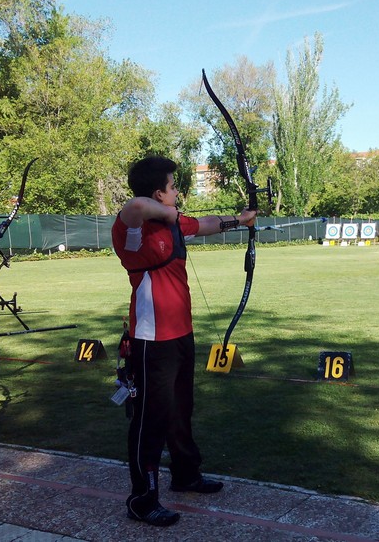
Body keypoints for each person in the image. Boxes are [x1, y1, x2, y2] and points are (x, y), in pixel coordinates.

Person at [111, 156, 256, 527]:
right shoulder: (133, 230)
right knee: (150, 417)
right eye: (173, 186)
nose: (178, 191)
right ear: (160, 192)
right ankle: (142, 500)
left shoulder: (173, 225)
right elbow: (135, 205)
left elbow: (205, 225)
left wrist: (239, 220)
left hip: (181, 335)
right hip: (151, 339)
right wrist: (168, 212)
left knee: (180, 409)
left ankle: (186, 474)